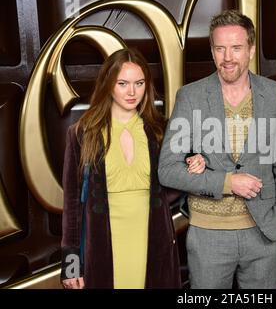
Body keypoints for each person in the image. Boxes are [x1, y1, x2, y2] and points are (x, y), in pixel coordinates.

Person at [158, 9, 276, 289]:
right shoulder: (191, 96)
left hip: (264, 234)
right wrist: (228, 182)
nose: (228, 57)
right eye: (220, 48)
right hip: (208, 235)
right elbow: (168, 170)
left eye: (236, 48)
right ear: (212, 51)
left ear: (251, 49)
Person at [60, 48, 205, 289]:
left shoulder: (161, 130)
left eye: (139, 83)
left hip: (153, 240)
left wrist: (193, 167)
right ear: (108, 84)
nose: (132, 92)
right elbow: (72, 204)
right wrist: (71, 265)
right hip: (103, 244)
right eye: (123, 83)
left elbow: (169, 185)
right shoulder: (82, 133)